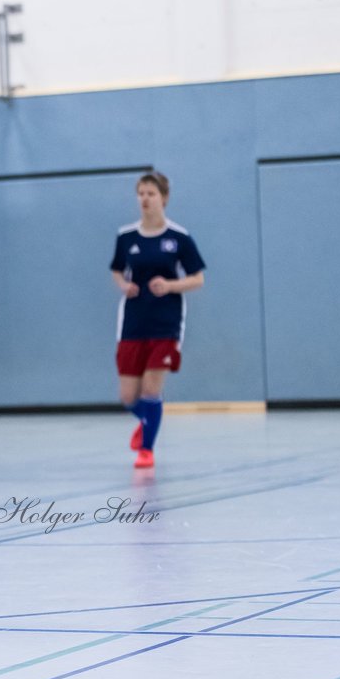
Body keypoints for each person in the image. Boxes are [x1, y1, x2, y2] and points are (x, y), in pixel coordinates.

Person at [110, 171, 206, 469]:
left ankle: (146, 450)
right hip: (133, 321)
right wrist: (123, 285)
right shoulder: (126, 237)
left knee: (152, 390)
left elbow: (198, 279)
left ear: (163, 198)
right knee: (128, 396)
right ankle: (147, 421)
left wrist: (170, 285)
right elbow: (116, 270)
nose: (145, 199)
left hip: (166, 322)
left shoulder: (178, 237)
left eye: (151, 194)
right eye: (140, 194)